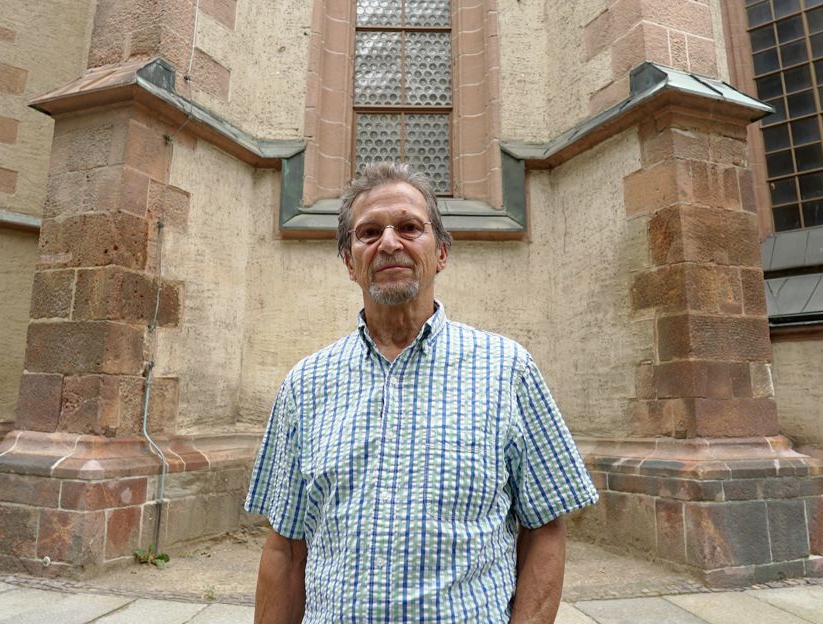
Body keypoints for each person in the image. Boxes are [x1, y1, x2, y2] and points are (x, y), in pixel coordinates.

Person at [245, 162, 598, 623]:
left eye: (410, 227)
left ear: (442, 252)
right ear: (350, 263)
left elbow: (546, 527)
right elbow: (285, 550)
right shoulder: (305, 384)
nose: (390, 243)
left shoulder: (507, 369)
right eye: (368, 232)